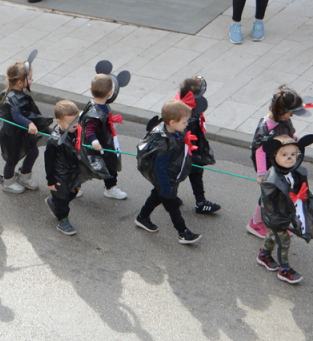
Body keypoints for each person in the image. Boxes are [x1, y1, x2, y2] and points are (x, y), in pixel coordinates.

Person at [257, 134, 313, 285]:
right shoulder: (270, 180)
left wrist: (307, 194)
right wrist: (278, 220)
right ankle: (284, 269)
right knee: (284, 241)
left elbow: (299, 186)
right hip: (275, 216)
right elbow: (270, 204)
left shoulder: (295, 171)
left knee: (273, 235)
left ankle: (264, 255)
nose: (290, 158)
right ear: (274, 156)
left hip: (288, 212)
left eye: (293, 154)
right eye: (284, 155)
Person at [135, 100, 202, 245]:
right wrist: (165, 187)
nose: (186, 125)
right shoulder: (163, 142)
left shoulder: (175, 131)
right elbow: (160, 168)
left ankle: (142, 217)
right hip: (165, 179)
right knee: (172, 206)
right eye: (184, 122)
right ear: (172, 122)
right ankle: (183, 232)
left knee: (156, 196)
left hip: (170, 176)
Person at [247, 85, 303, 239]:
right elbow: (259, 151)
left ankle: (276, 221)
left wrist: (295, 140)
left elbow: (288, 134)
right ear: (281, 111)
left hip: (281, 164)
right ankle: (255, 222)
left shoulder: (284, 120)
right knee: (267, 196)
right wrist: (261, 174)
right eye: (290, 113)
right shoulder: (266, 127)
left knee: (278, 195)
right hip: (269, 168)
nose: (291, 116)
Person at [0, 52, 52, 194]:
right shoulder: (12, 97)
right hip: (11, 134)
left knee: (33, 152)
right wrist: (29, 124)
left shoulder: (19, 93)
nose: (32, 80)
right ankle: (8, 181)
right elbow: (16, 115)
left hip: (22, 132)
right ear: (20, 82)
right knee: (12, 158)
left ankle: (24, 176)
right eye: (30, 78)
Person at [176, 76, 221, 215]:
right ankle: (166, 196)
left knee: (194, 171)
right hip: (184, 147)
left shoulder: (181, 104)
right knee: (177, 171)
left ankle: (199, 201)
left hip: (192, 145)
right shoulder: (183, 113)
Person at [80, 74, 128, 200]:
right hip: (97, 145)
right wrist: (94, 141)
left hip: (104, 143)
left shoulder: (96, 105)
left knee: (108, 166)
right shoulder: (95, 112)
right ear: (110, 93)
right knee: (87, 166)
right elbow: (89, 129)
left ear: (90, 89)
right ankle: (75, 186)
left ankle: (110, 187)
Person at [44, 100, 89, 235]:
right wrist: (51, 180)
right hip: (60, 175)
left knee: (73, 192)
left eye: (77, 121)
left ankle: (54, 202)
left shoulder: (74, 131)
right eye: (71, 123)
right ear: (59, 121)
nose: (75, 125)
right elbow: (49, 161)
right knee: (62, 198)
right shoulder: (54, 141)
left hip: (73, 171)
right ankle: (63, 220)